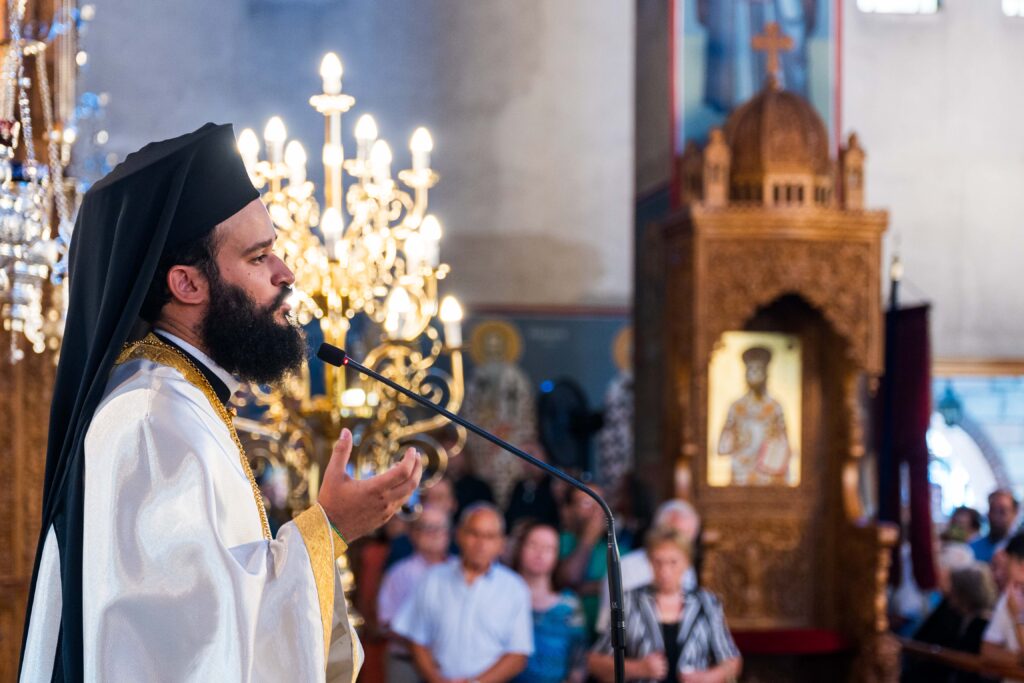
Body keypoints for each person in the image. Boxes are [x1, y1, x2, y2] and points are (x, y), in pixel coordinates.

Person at [19, 124, 422, 681]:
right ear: (187, 284)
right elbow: (191, 649)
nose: (287, 274)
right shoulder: (151, 418)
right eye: (259, 257)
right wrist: (328, 528)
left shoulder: (183, 398)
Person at [393, 503, 533, 682]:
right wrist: (437, 680)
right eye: (474, 533)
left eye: (490, 537)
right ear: (459, 535)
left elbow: (518, 654)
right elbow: (416, 639)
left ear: (501, 543)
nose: (481, 544)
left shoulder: (514, 588)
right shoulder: (433, 579)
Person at [587, 528, 741, 683]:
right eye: (658, 562)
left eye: (673, 562)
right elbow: (595, 661)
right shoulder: (629, 601)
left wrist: (706, 678)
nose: (665, 571)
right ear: (649, 561)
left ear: (687, 563)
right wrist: (637, 668)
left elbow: (731, 660)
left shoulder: (706, 603)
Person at [597, 500, 702, 634]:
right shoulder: (625, 567)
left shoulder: (687, 568)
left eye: (690, 538)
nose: (685, 545)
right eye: (678, 536)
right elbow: (609, 628)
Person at [378, 506, 455, 683]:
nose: (434, 534)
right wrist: (422, 648)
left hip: (448, 665)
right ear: (413, 534)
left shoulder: (460, 570)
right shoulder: (399, 572)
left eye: (439, 528)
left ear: (449, 534)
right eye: (427, 527)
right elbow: (386, 621)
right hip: (406, 662)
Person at [512, 521, 587, 683]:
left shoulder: (569, 604)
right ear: (520, 548)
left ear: (557, 556)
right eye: (533, 545)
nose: (539, 553)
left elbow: (578, 661)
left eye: (548, 548)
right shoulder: (503, 597)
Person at [716, 346, 793, 486]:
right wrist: (735, 442)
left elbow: (783, 441)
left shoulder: (775, 407)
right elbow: (725, 443)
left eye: (758, 369)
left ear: (766, 373)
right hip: (742, 463)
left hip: (767, 465)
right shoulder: (737, 406)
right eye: (751, 369)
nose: (754, 374)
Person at [558, 485, 618, 640]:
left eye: (601, 503)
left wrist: (580, 588)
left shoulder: (619, 549)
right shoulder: (558, 542)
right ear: (568, 510)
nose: (596, 511)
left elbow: (622, 588)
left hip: (606, 640)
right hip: (564, 638)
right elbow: (568, 579)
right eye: (586, 503)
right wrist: (588, 538)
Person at [981, 533, 1024, 670]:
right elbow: (987, 651)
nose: (1005, 571)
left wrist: (1018, 617)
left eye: (1008, 563)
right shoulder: (1010, 597)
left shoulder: (1012, 602)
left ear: (1021, 565)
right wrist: (1021, 660)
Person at [504, 442, 562, 532]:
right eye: (522, 456)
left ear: (544, 455)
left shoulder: (554, 485)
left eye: (531, 454)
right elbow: (509, 517)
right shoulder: (519, 487)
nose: (526, 461)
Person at [972, 491, 1019, 563]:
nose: (996, 517)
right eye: (992, 510)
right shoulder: (973, 547)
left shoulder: (1019, 548)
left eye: (1002, 511)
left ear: (1014, 513)